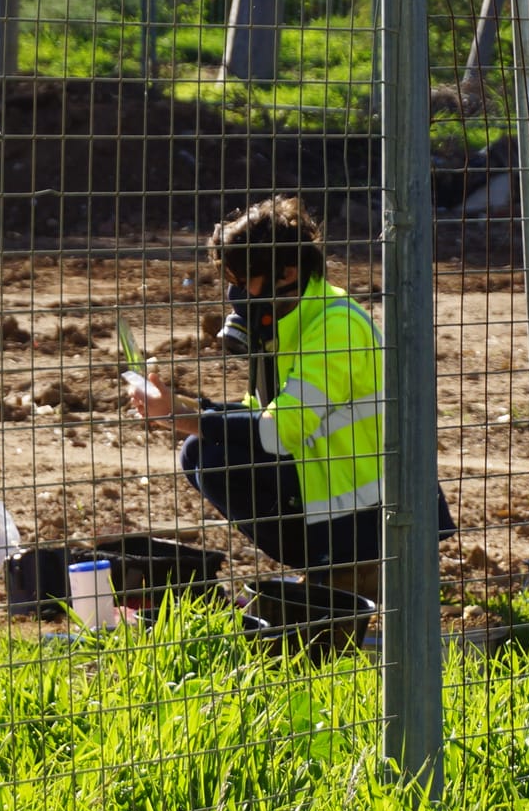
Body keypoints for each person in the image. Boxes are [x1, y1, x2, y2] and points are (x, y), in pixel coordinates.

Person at [128, 195, 451, 595]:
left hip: (376, 510)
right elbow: (261, 412)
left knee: (209, 454)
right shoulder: (289, 318)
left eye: (245, 282)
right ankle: (326, 566)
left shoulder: (336, 326)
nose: (238, 296)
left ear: (287, 272)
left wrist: (184, 419)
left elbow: (280, 431)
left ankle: (353, 568)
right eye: (234, 283)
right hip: (332, 487)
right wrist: (183, 407)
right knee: (202, 450)